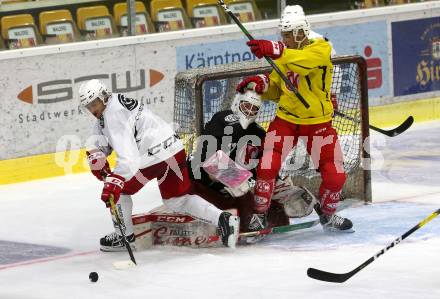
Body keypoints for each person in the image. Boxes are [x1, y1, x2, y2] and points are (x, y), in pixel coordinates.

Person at [79, 79, 239, 251]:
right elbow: (103, 130)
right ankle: (224, 219)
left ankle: (124, 237)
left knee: (120, 192)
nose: (93, 110)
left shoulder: (113, 114)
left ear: (103, 97)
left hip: (152, 158)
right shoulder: (114, 103)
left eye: (94, 104)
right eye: (89, 106)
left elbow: (129, 159)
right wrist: (97, 154)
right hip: (174, 150)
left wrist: (114, 181)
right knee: (178, 200)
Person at [236, 5, 353, 235]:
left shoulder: (321, 48)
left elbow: (303, 62)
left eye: (289, 34)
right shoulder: (284, 53)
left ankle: (328, 215)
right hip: (286, 120)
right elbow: (277, 88)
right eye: (283, 35)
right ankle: (259, 215)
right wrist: (260, 83)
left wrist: (276, 48)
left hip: (318, 123)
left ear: (301, 32)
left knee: (335, 175)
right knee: (267, 166)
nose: (285, 38)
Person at [189, 90, 316, 236]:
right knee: (241, 187)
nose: (249, 111)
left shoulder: (258, 133)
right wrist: (236, 178)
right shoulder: (223, 118)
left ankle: (248, 217)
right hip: (203, 181)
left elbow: (263, 167)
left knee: (274, 212)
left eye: (254, 108)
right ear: (238, 103)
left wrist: (279, 186)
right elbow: (207, 157)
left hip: (231, 191)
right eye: (246, 106)